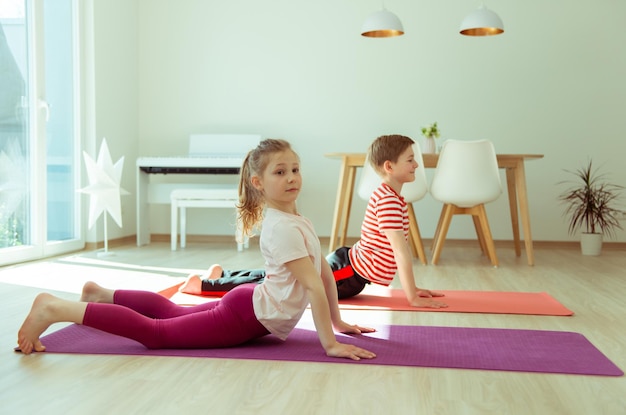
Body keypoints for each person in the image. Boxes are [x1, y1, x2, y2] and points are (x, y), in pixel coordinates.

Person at [16, 139, 376, 360]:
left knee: (171, 312)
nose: (292, 177)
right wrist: (329, 343)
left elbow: (324, 273)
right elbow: (313, 285)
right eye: (279, 172)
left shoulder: (298, 220)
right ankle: (56, 308)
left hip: (250, 304)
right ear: (258, 183)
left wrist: (339, 321)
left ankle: (101, 294)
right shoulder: (282, 227)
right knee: (156, 334)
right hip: (245, 316)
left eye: (294, 169)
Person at [179, 134, 447, 309]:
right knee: (278, 284)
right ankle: (204, 285)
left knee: (280, 277)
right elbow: (400, 251)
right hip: (348, 273)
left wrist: (414, 289)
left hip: (351, 268)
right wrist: (411, 295)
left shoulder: (393, 196)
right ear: (389, 167)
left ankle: (221, 276)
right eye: (411, 160)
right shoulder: (388, 199)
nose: (416, 166)